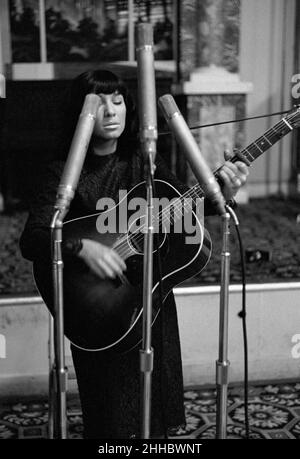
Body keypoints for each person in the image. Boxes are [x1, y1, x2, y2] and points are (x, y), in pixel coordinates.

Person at [19, 69, 249, 439]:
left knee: (155, 408)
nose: (111, 111)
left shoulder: (145, 162)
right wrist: (81, 248)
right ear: (81, 114)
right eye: (98, 102)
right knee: (112, 416)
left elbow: (185, 207)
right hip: (97, 306)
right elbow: (32, 239)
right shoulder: (63, 172)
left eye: (118, 100)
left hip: (150, 297)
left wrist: (223, 190)